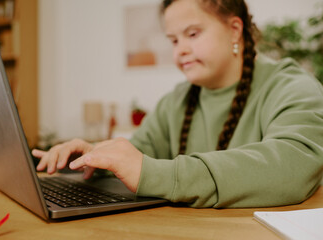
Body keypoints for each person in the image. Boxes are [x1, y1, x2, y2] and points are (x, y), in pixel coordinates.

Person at [33, 0, 323, 208]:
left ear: (235, 30)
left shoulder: (292, 86)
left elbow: (293, 165)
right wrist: (97, 157)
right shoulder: (176, 101)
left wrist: (161, 175)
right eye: (173, 40)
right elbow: (139, 153)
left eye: (193, 34)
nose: (180, 50)